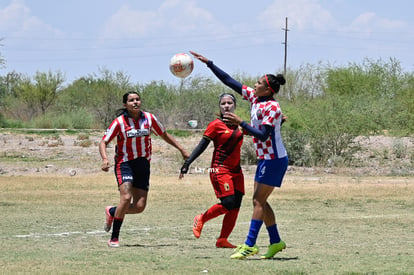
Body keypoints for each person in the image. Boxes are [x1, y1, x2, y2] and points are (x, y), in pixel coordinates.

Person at [190, 51, 289, 260]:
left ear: (267, 89)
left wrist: (241, 123)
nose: (255, 83)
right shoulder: (255, 97)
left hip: (274, 159)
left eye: (259, 82)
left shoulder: (272, 106)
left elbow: (263, 135)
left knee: (257, 201)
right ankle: (276, 241)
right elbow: (229, 81)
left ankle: (250, 244)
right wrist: (210, 64)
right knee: (260, 201)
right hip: (265, 159)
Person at [99, 91, 189, 248]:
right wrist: (105, 159)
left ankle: (112, 212)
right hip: (125, 164)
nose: (135, 102)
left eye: (137, 99)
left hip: (143, 165)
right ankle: (114, 238)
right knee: (126, 198)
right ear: (125, 104)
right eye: (131, 100)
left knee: (139, 207)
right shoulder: (119, 122)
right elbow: (103, 142)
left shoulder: (149, 118)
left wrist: (181, 149)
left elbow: (164, 134)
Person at [179, 93, 245, 248]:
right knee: (228, 202)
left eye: (229, 103)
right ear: (219, 107)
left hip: (237, 171)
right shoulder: (215, 125)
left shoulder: (240, 125)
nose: (226, 106)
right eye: (223, 103)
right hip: (220, 169)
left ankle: (222, 240)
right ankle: (201, 218)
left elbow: (259, 134)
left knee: (236, 205)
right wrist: (187, 163)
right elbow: (202, 145)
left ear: (235, 105)